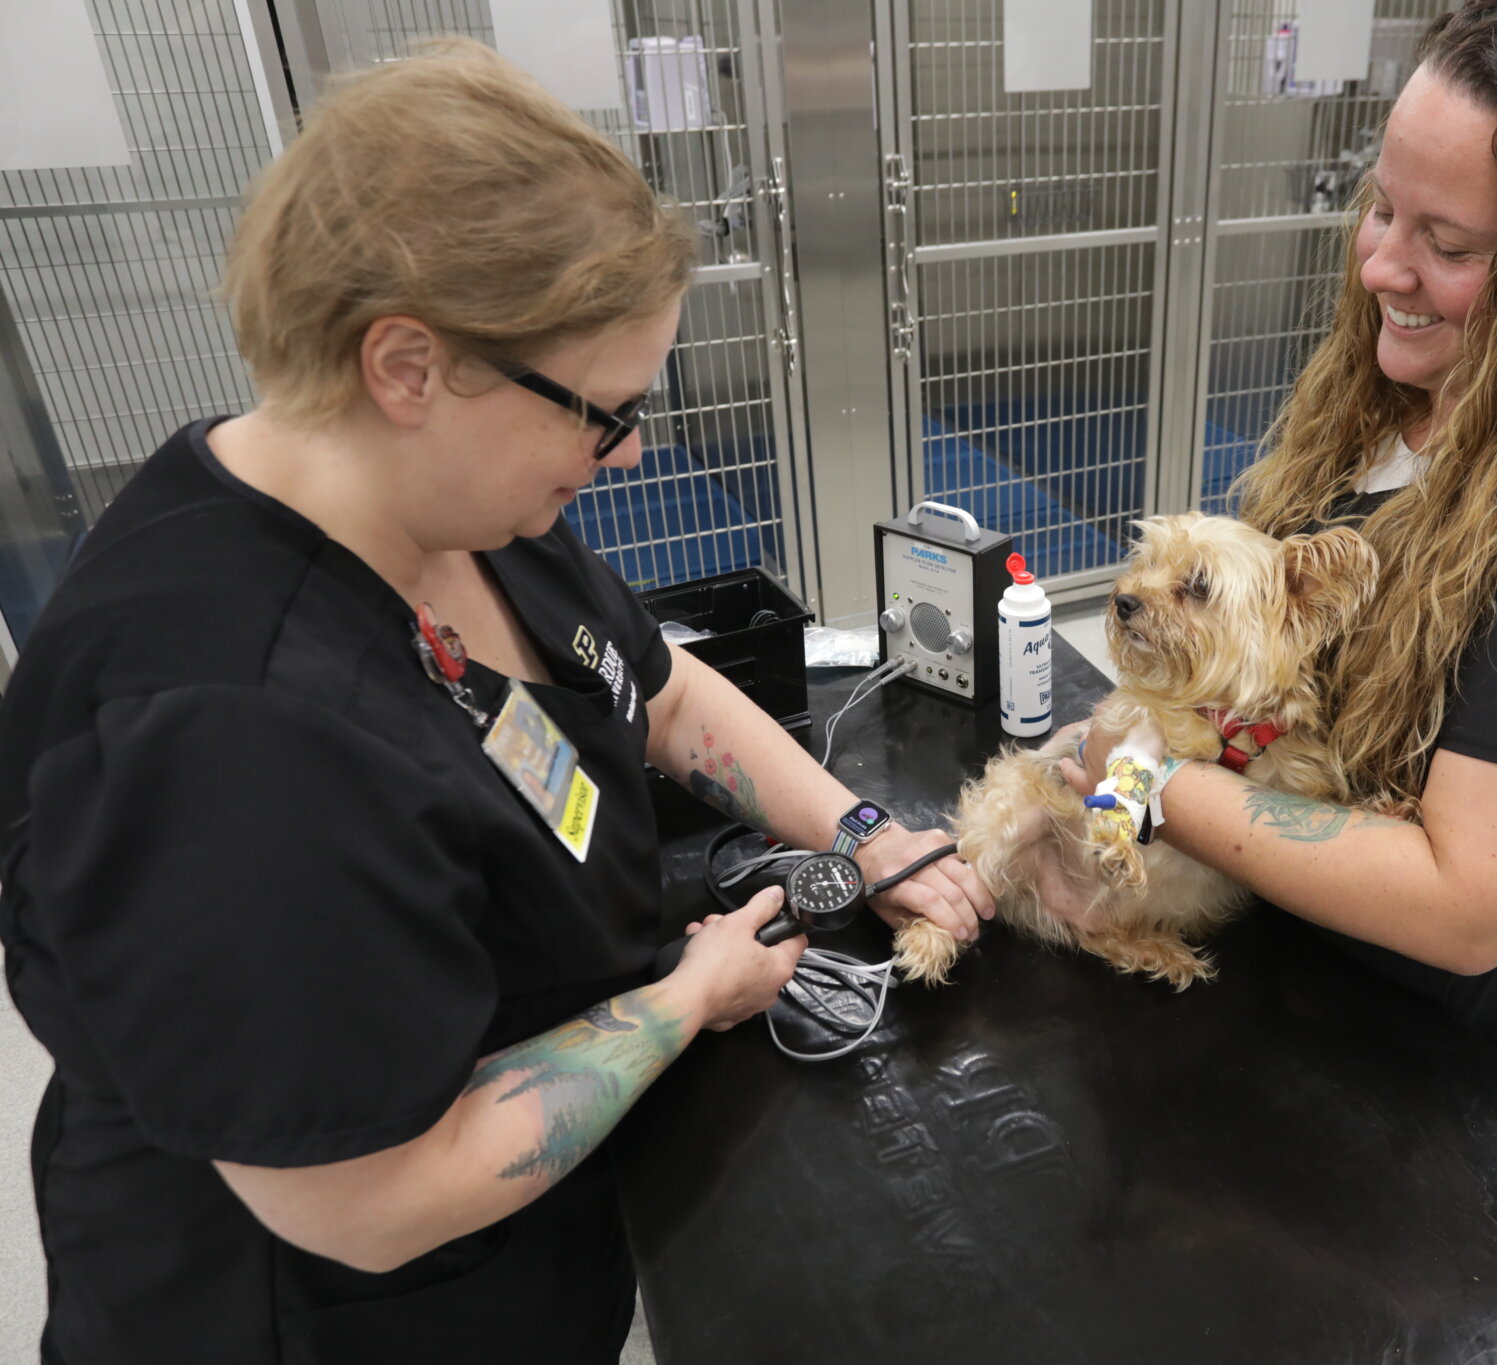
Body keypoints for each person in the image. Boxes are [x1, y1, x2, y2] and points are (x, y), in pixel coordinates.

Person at [0, 38, 990, 1364]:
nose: (631, 449)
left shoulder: (447, 503)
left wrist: (858, 831)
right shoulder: (230, 736)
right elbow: (371, 1202)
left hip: (543, 1233)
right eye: (602, 411)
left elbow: (652, 686)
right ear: (407, 364)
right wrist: (686, 999)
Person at [1065, 0, 1497, 1151]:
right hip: (1292, 986)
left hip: (1472, 1086)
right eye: (1380, 207)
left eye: (1449, 246)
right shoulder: (1381, 401)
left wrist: (1126, 773)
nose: (1383, 264)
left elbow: (1463, 904)